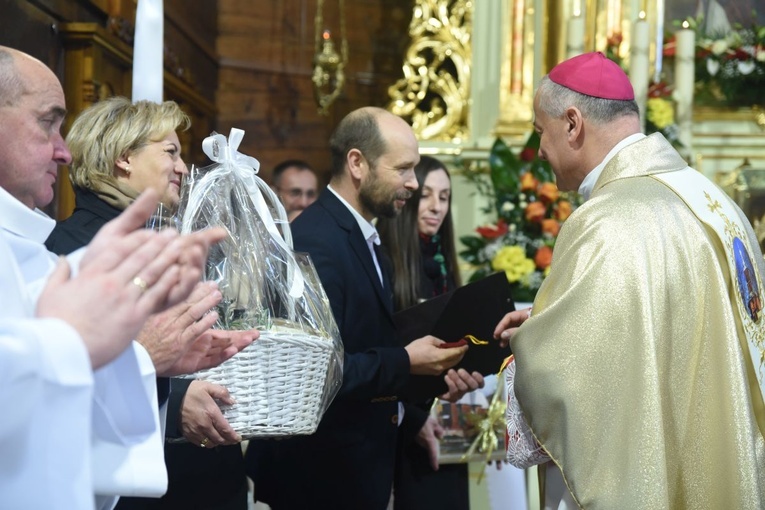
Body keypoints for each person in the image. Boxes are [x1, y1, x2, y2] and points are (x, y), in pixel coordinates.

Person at [494, 52, 765, 509]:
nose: (539, 150)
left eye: (542, 131)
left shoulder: (606, 220)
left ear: (573, 123)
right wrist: (555, 320)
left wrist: (532, 344)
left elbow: (568, 380)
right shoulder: (717, 205)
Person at [0, 46, 244, 509]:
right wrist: (150, 360)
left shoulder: (41, 242)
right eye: (47, 122)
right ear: (123, 159)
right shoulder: (72, 251)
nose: (63, 151)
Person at [245, 107, 481, 510]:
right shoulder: (317, 241)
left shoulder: (365, 236)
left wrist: (437, 376)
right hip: (316, 480)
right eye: (403, 169)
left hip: (354, 474)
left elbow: (368, 346)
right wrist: (407, 362)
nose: (411, 183)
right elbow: (318, 374)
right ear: (357, 163)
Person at [45, 96, 254, 510]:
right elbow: (63, 371)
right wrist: (176, 400)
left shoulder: (166, 242)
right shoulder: (66, 251)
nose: (181, 167)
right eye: (170, 152)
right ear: (124, 158)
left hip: (206, 478)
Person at [378, 155, 483, 509]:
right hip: (396, 432)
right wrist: (415, 418)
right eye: (427, 195)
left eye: (445, 196)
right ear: (408, 197)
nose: (436, 207)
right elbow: (376, 355)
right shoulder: (384, 260)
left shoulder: (442, 263)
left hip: (439, 426)